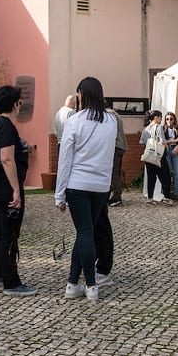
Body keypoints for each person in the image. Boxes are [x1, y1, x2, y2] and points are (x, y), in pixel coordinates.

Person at [56, 77, 117, 301]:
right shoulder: (111, 121)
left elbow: (65, 160)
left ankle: (90, 285)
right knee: (86, 232)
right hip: (100, 185)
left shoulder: (74, 121)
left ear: (81, 94)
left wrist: (59, 194)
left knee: (84, 233)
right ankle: (72, 283)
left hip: (78, 184)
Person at [0, 85, 35, 296]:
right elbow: (7, 159)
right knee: (9, 232)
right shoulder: (6, 126)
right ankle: (11, 282)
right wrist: (16, 190)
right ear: (15, 104)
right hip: (6, 185)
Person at [140, 110, 173, 205]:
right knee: (166, 176)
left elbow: (142, 142)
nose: (161, 119)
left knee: (151, 177)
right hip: (159, 156)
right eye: (160, 117)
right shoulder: (158, 127)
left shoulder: (146, 129)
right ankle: (167, 197)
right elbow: (162, 141)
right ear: (156, 117)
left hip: (149, 156)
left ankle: (150, 198)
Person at [106, 99, 127, 207]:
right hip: (120, 146)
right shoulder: (114, 114)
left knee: (114, 172)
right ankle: (113, 195)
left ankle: (117, 197)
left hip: (115, 146)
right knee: (115, 172)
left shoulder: (109, 115)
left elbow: (110, 131)